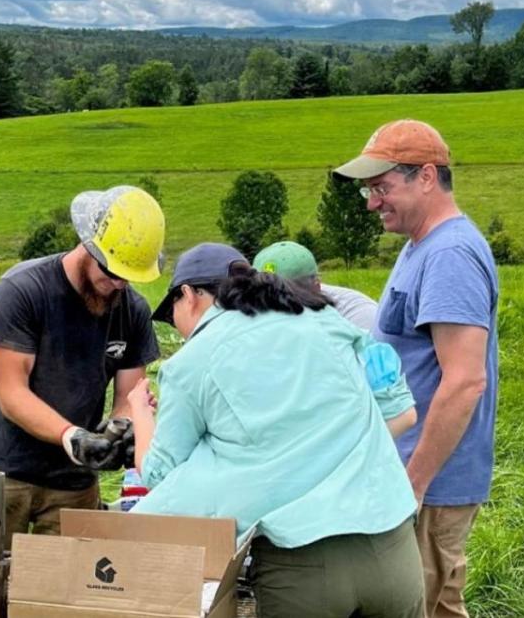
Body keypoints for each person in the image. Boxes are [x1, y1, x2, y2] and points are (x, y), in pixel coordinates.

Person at [126, 243, 424, 618]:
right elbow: (396, 409)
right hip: (395, 546)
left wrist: (140, 411)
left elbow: (158, 475)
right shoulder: (326, 321)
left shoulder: (192, 362)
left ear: (188, 295)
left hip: (303, 564)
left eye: (173, 315)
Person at [0, 185, 164, 598]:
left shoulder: (132, 311)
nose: (120, 285)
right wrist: (73, 436)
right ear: (89, 246)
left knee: (64, 593)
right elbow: (12, 393)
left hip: (74, 480)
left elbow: (129, 390)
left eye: (129, 277)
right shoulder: (24, 290)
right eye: (113, 272)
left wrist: (118, 429)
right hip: (4, 468)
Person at [333, 119, 499, 618]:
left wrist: (414, 482)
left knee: (416, 607)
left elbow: (466, 379)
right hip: (419, 474)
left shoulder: (449, 255)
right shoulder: (423, 246)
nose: (371, 202)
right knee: (440, 604)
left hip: (428, 481)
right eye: (369, 189)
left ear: (427, 177)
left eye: (382, 187)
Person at [253, 239, 415, 437]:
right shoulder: (255, 331)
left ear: (317, 286)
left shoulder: (356, 325)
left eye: (280, 298)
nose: (270, 309)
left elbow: (401, 415)